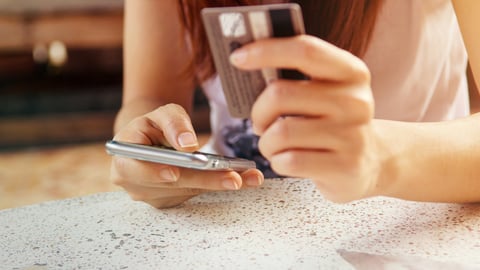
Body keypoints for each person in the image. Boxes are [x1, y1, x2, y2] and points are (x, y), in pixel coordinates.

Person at [110, 0, 480, 209]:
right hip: (234, 216)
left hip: (408, 226)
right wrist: (146, 149)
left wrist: (380, 157)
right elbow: (149, 99)